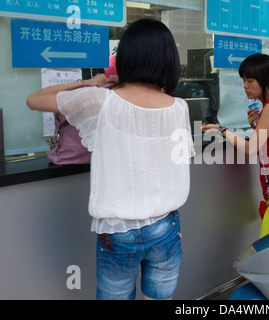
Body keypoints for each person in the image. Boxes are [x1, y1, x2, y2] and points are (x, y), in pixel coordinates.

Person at [26, 18, 194, 300]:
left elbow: (33, 99)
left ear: (126, 56)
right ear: (168, 60)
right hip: (166, 226)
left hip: (117, 232)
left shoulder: (97, 100)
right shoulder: (179, 107)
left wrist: (87, 83)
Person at [201, 53, 269, 238]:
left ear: (265, 79)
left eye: (250, 80)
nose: (244, 86)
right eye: (244, 80)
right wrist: (256, 126)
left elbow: (252, 148)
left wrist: (223, 130)